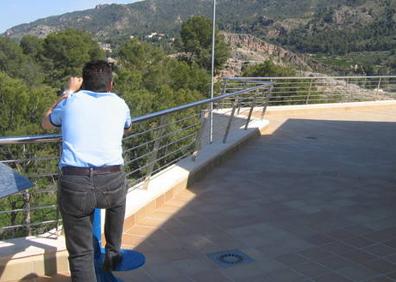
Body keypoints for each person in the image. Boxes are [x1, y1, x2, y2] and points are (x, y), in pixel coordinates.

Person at [42, 60, 132, 282]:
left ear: (83, 84)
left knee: (81, 254)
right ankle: (113, 252)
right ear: (110, 85)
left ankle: (102, 260)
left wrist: (67, 92)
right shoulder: (120, 103)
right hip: (111, 180)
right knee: (118, 200)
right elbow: (128, 126)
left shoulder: (71, 101)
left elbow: (46, 122)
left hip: (76, 183)